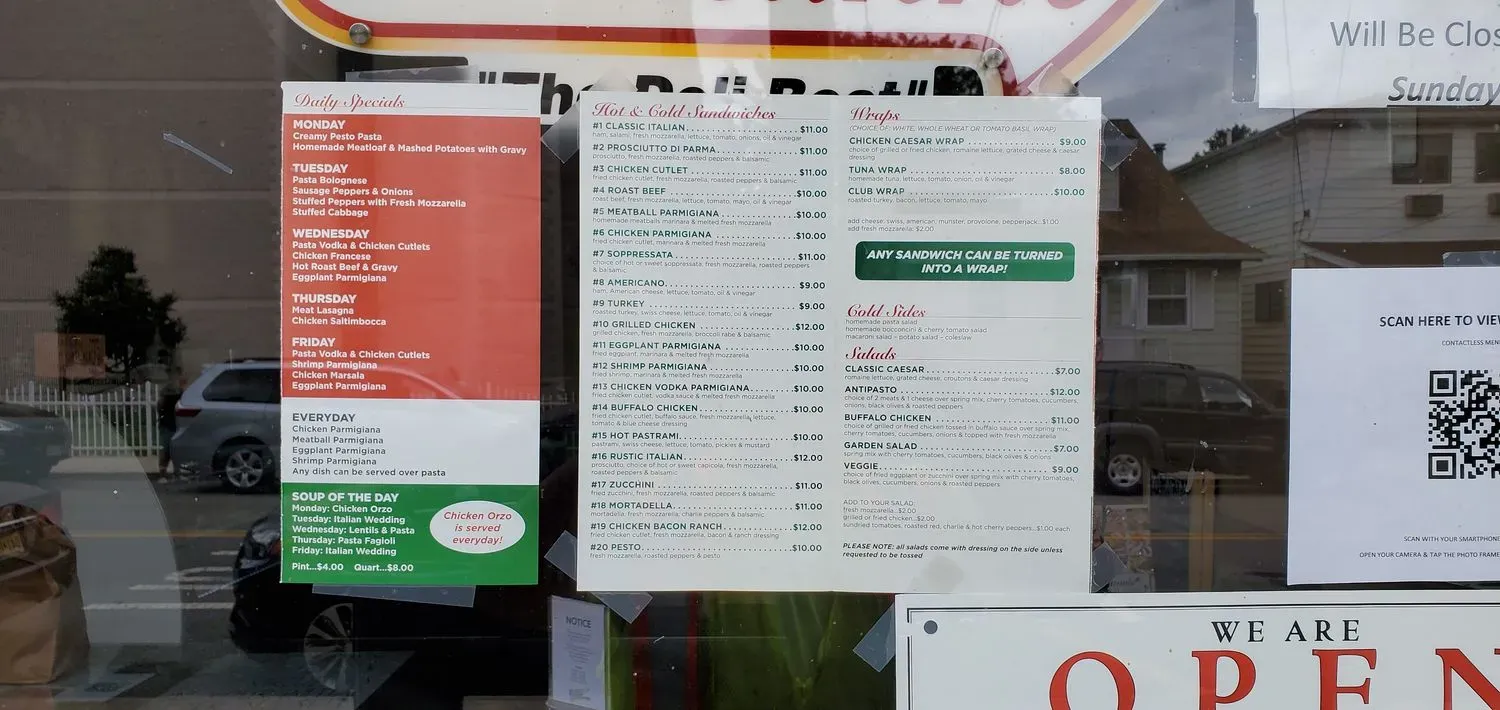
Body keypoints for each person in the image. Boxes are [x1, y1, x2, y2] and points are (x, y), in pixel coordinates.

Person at [156, 378, 184, 475]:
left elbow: (160, 408)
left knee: (168, 450)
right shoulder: (178, 394)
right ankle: (169, 472)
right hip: (170, 425)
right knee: (169, 450)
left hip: (171, 425)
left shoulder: (169, 394)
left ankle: (169, 472)